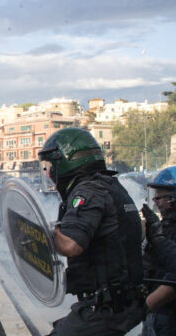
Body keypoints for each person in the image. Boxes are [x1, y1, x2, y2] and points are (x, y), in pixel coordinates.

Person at [39, 128, 144, 336]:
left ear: (65, 161)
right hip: (121, 300)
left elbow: (70, 245)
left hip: (106, 306)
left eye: (52, 166)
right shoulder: (111, 185)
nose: (50, 173)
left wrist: (48, 231)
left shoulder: (88, 191)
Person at [142, 166, 176, 336]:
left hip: (174, 318)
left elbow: (175, 283)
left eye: (161, 196)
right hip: (159, 314)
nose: (156, 201)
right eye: (155, 195)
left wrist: (140, 308)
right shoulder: (169, 225)